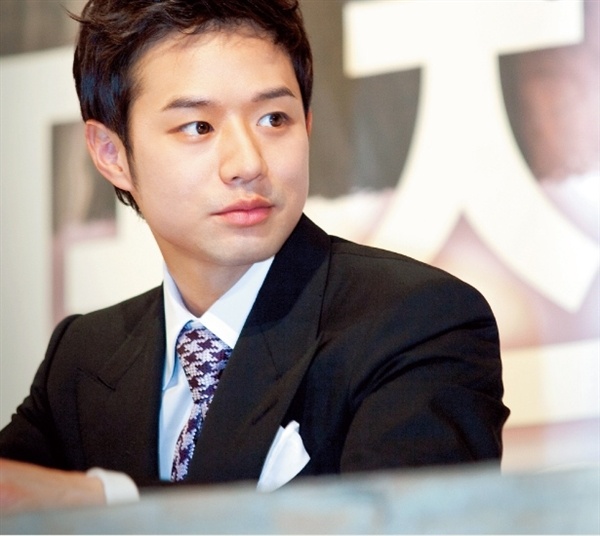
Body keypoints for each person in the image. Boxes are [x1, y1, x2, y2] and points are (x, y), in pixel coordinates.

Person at [0, 0, 509, 514]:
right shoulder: (83, 358)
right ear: (112, 154)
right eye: (198, 127)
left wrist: (108, 502)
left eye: (273, 119)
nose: (247, 163)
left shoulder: (416, 321)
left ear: (307, 124)